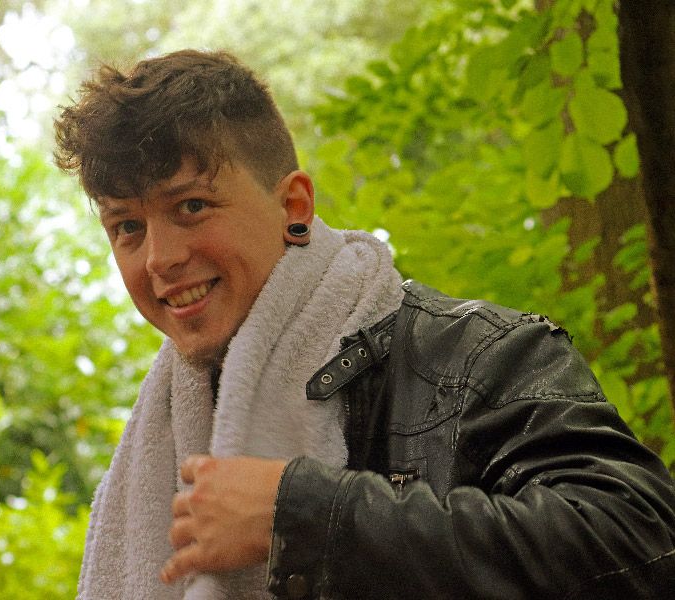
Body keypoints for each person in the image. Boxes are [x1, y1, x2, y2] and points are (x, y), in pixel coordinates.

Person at [55, 49, 675, 600]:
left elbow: (640, 542)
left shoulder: (477, 354)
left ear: (294, 206)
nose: (159, 258)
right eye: (127, 226)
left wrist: (304, 517)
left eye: (191, 205)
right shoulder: (159, 436)